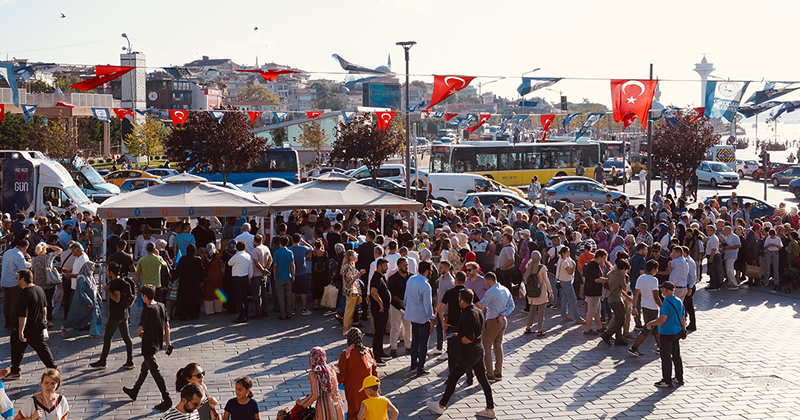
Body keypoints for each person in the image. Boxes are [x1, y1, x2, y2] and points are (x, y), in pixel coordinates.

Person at [426, 288, 496, 419]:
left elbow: (468, 338)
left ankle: (441, 405)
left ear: (462, 301)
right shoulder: (478, 311)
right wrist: (458, 333)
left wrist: (456, 339)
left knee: (453, 378)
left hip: (469, 354)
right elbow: (474, 333)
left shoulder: (466, 316)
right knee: (483, 380)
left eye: (459, 299)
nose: (458, 301)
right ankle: (490, 409)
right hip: (479, 350)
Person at [123, 285, 173, 411]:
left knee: (155, 371)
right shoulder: (161, 305)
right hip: (157, 343)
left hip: (148, 345)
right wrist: (167, 343)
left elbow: (139, 329)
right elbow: (167, 326)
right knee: (145, 368)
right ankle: (135, 390)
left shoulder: (148, 309)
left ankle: (167, 399)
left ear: (145, 296)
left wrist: (139, 334)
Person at [7, 269, 57, 380]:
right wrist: (44, 320)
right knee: (41, 348)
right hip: (38, 326)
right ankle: (53, 368)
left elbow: (22, 315)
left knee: (16, 346)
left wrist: (20, 331)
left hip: (27, 328)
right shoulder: (39, 289)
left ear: (23, 279)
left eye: (17, 278)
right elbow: (44, 308)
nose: (16, 280)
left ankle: (15, 371)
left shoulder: (24, 294)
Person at [90, 262, 135, 370]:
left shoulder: (115, 284)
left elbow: (117, 298)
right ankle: (130, 361)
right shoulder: (121, 281)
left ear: (111, 272)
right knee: (126, 338)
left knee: (107, 337)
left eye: (107, 270)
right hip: (124, 314)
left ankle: (103, 361)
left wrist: (107, 291)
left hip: (116, 315)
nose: (106, 272)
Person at [646, 281, 686, 388]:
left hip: (666, 333)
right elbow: (683, 318)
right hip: (677, 331)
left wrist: (651, 323)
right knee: (676, 355)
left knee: (666, 356)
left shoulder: (666, 303)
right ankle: (679, 377)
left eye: (662, 289)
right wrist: (684, 329)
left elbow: (662, 319)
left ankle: (666, 380)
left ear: (666, 291)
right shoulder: (679, 301)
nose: (661, 291)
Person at [337, 330, 378, 420]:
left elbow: (341, 377)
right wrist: (377, 390)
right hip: (368, 391)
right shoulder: (368, 352)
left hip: (352, 392)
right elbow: (375, 372)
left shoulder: (346, 355)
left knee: (352, 415)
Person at [480, 271, 513, 382]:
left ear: (490, 280)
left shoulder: (491, 291)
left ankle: (490, 374)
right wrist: (504, 313)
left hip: (492, 320)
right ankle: (498, 372)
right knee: (498, 346)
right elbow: (512, 305)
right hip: (502, 320)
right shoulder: (505, 289)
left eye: (485, 282)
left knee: (486, 347)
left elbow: (482, 304)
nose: (485, 284)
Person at [404, 260, 435, 377]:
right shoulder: (426, 286)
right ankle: (420, 367)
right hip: (422, 317)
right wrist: (431, 319)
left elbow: (406, 298)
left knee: (415, 341)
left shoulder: (411, 280)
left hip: (412, 315)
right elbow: (428, 305)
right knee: (423, 343)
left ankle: (413, 363)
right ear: (427, 271)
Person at [296, 347, 345, 420]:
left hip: (323, 410)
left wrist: (302, 402)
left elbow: (314, 395)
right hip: (338, 408)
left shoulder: (314, 373)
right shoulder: (332, 368)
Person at [628, 260, 662, 357]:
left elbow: (636, 294)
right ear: (653, 269)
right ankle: (634, 348)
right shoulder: (654, 280)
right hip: (652, 307)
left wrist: (633, 307)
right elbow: (656, 296)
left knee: (655, 328)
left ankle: (660, 347)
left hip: (644, 305)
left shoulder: (641, 278)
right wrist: (663, 307)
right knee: (648, 328)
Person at [61, 262, 101, 338]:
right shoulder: (82, 278)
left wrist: (98, 295)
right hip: (85, 303)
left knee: (95, 316)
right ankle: (66, 327)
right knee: (79, 318)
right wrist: (88, 301)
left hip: (92, 301)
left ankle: (94, 332)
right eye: (92, 267)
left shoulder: (90, 277)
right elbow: (81, 291)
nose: (93, 269)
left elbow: (94, 288)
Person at [599, 258, 634, 346]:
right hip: (617, 299)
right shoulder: (621, 275)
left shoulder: (612, 273)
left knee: (618, 319)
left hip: (611, 298)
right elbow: (624, 287)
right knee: (622, 319)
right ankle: (606, 335)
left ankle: (618, 339)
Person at [30, 242, 61, 327]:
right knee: (49, 302)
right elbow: (59, 250)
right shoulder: (48, 257)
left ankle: (42, 319)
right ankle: (50, 320)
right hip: (49, 283)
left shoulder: (34, 260)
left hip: (39, 284)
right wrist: (49, 245)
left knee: (40, 303)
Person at [523, 251, 554, 336]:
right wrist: (550, 291)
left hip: (531, 293)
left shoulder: (529, 266)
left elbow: (527, 263)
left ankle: (528, 327)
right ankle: (539, 330)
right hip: (541, 292)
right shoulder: (542, 267)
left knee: (531, 310)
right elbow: (546, 281)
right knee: (541, 312)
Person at [3, 239, 31, 329]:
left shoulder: (7, 252)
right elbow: (22, 268)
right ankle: (13, 323)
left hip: (4, 281)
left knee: (7, 303)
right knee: (14, 303)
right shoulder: (18, 255)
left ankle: (7, 322)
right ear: (25, 247)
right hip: (13, 282)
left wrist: (29, 262)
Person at [387, 257, 411, 357]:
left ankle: (409, 346)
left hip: (408, 307)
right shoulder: (393, 278)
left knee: (408, 327)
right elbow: (391, 293)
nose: (406, 267)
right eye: (404, 265)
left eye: (407, 265)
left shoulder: (411, 277)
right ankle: (393, 348)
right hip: (396, 306)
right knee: (395, 327)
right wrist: (400, 301)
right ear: (399, 266)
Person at [175, 244, 205, 321]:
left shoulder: (182, 259)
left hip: (184, 281)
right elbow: (201, 271)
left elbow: (178, 271)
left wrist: (172, 279)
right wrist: (202, 280)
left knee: (183, 297)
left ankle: (182, 314)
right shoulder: (198, 260)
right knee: (193, 298)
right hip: (194, 282)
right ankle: (193, 314)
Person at [368, 258, 390, 363]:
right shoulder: (377, 278)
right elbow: (373, 292)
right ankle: (376, 355)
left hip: (383, 309)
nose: (387, 268)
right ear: (380, 266)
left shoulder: (381, 277)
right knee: (378, 332)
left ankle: (380, 352)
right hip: (379, 310)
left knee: (381, 332)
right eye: (385, 266)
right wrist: (380, 302)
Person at [556, 246, 584, 325]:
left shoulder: (560, 260)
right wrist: (574, 266)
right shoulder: (565, 262)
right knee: (573, 299)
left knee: (565, 299)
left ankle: (564, 316)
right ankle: (577, 317)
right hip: (566, 282)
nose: (569, 254)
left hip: (562, 281)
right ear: (563, 253)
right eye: (567, 252)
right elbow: (570, 272)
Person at [228, 242, 253, 323]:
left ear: (237, 248)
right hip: (245, 277)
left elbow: (229, 263)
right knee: (244, 296)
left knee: (238, 298)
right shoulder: (248, 256)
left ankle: (241, 315)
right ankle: (246, 313)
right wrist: (249, 278)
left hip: (237, 278)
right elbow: (250, 268)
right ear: (245, 248)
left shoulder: (236, 256)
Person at [341, 250, 365, 336]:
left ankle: (347, 326)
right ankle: (346, 327)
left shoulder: (350, 265)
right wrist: (360, 274)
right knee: (349, 310)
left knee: (351, 309)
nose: (356, 257)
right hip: (351, 290)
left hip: (353, 290)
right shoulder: (347, 266)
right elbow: (350, 279)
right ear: (350, 256)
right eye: (354, 255)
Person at [289, 234, 312, 316]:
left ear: (292, 240)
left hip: (293, 273)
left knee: (293, 291)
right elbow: (311, 248)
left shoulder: (289, 249)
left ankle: (292, 309)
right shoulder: (303, 248)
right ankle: (304, 309)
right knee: (303, 292)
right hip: (303, 272)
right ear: (299, 240)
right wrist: (303, 241)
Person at [272, 236, 295, 320]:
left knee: (281, 296)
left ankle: (283, 314)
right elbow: (292, 265)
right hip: (288, 276)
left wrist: (274, 275)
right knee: (288, 295)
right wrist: (293, 275)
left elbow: (275, 266)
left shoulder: (277, 253)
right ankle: (289, 312)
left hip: (279, 276)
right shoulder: (290, 252)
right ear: (287, 243)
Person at [202, 243, 225, 316]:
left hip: (209, 275)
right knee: (218, 291)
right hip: (218, 275)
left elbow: (203, 264)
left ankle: (209, 311)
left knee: (208, 293)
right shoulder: (218, 255)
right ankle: (218, 309)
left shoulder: (205, 256)